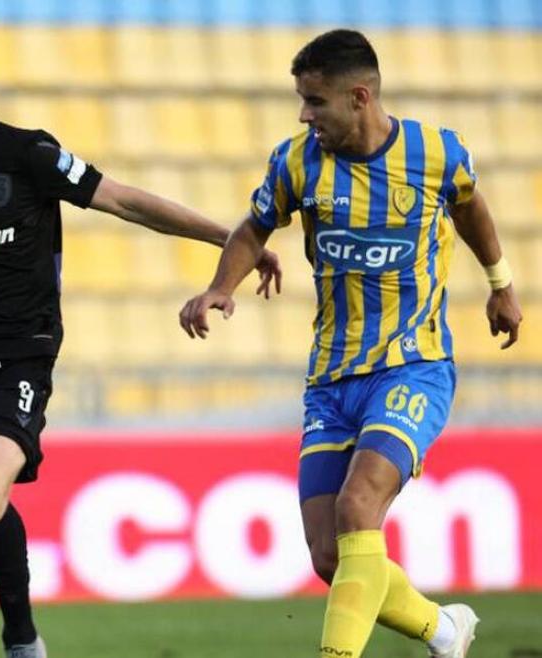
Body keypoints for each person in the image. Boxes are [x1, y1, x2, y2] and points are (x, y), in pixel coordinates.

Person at [0, 23, 281, 658]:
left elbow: (125, 201)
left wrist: (233, 239)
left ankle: (21, 636)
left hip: (13, 361)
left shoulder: (27, 155)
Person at [179, 29, 522, 658]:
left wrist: (500, 284)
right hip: (331, 380)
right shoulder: (296, 162)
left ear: (359, 97)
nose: (303, 115)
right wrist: (220, 287)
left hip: (412, 366)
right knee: (330, 556)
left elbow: (470, 208)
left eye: (315, 101)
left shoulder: (435, 154)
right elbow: (254, 227)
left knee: (358, 504)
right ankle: (445, 631)